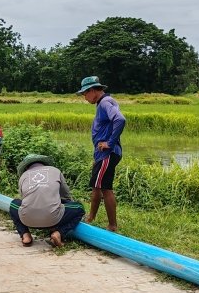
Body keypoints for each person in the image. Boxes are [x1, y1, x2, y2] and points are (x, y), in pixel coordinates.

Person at [77, 76, 125, 232]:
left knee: (105, 188)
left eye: (85, 93)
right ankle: (91, 217)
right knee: (97, 186)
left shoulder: (105, 102)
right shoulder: (103, 103)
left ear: (92, 90)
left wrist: (109, 143)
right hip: (102, 155)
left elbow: (120, 119)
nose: (85, 97)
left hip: (108, 153)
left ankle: (112, 226)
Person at [9, 154, 84, 247]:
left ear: (27, 167)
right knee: (79, 207)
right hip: (54, 219)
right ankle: (59, 233)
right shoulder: (55, 171)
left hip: (28, 220)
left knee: (13, 204)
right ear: (44, 163)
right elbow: (66, 195)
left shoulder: (23, 176)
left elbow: (25, 199)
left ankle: (25, 235)